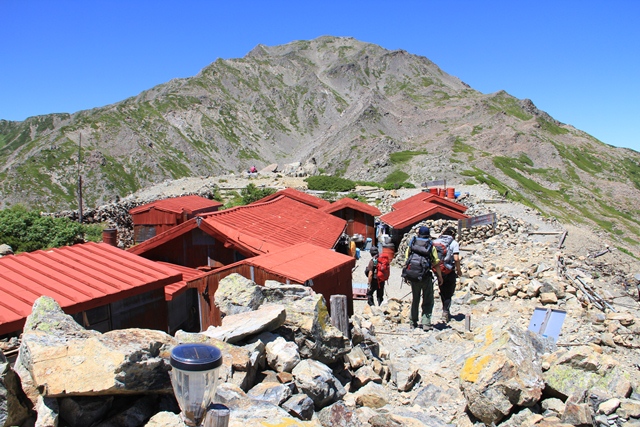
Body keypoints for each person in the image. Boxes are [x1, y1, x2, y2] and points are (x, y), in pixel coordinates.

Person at [404, 226, 442, 331]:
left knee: (415, 299)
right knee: (428, 299)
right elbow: (436, 263)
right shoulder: (430, 246)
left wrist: (407, 274)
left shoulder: (412, 244)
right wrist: (439, 276)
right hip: (425, 276)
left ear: (419, 234)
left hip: (414, 276)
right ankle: (426, 323)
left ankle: (413, 322)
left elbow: (406, 260)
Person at [435, 226, 462, 323]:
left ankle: (445, 310)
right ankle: (445, 312)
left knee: (442, 290)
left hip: (438, 270)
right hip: (449, 270)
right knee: (449, 291)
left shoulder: (436, 241)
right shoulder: (454, 243)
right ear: (453, 234)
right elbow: (456, 258)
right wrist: (459, 270)